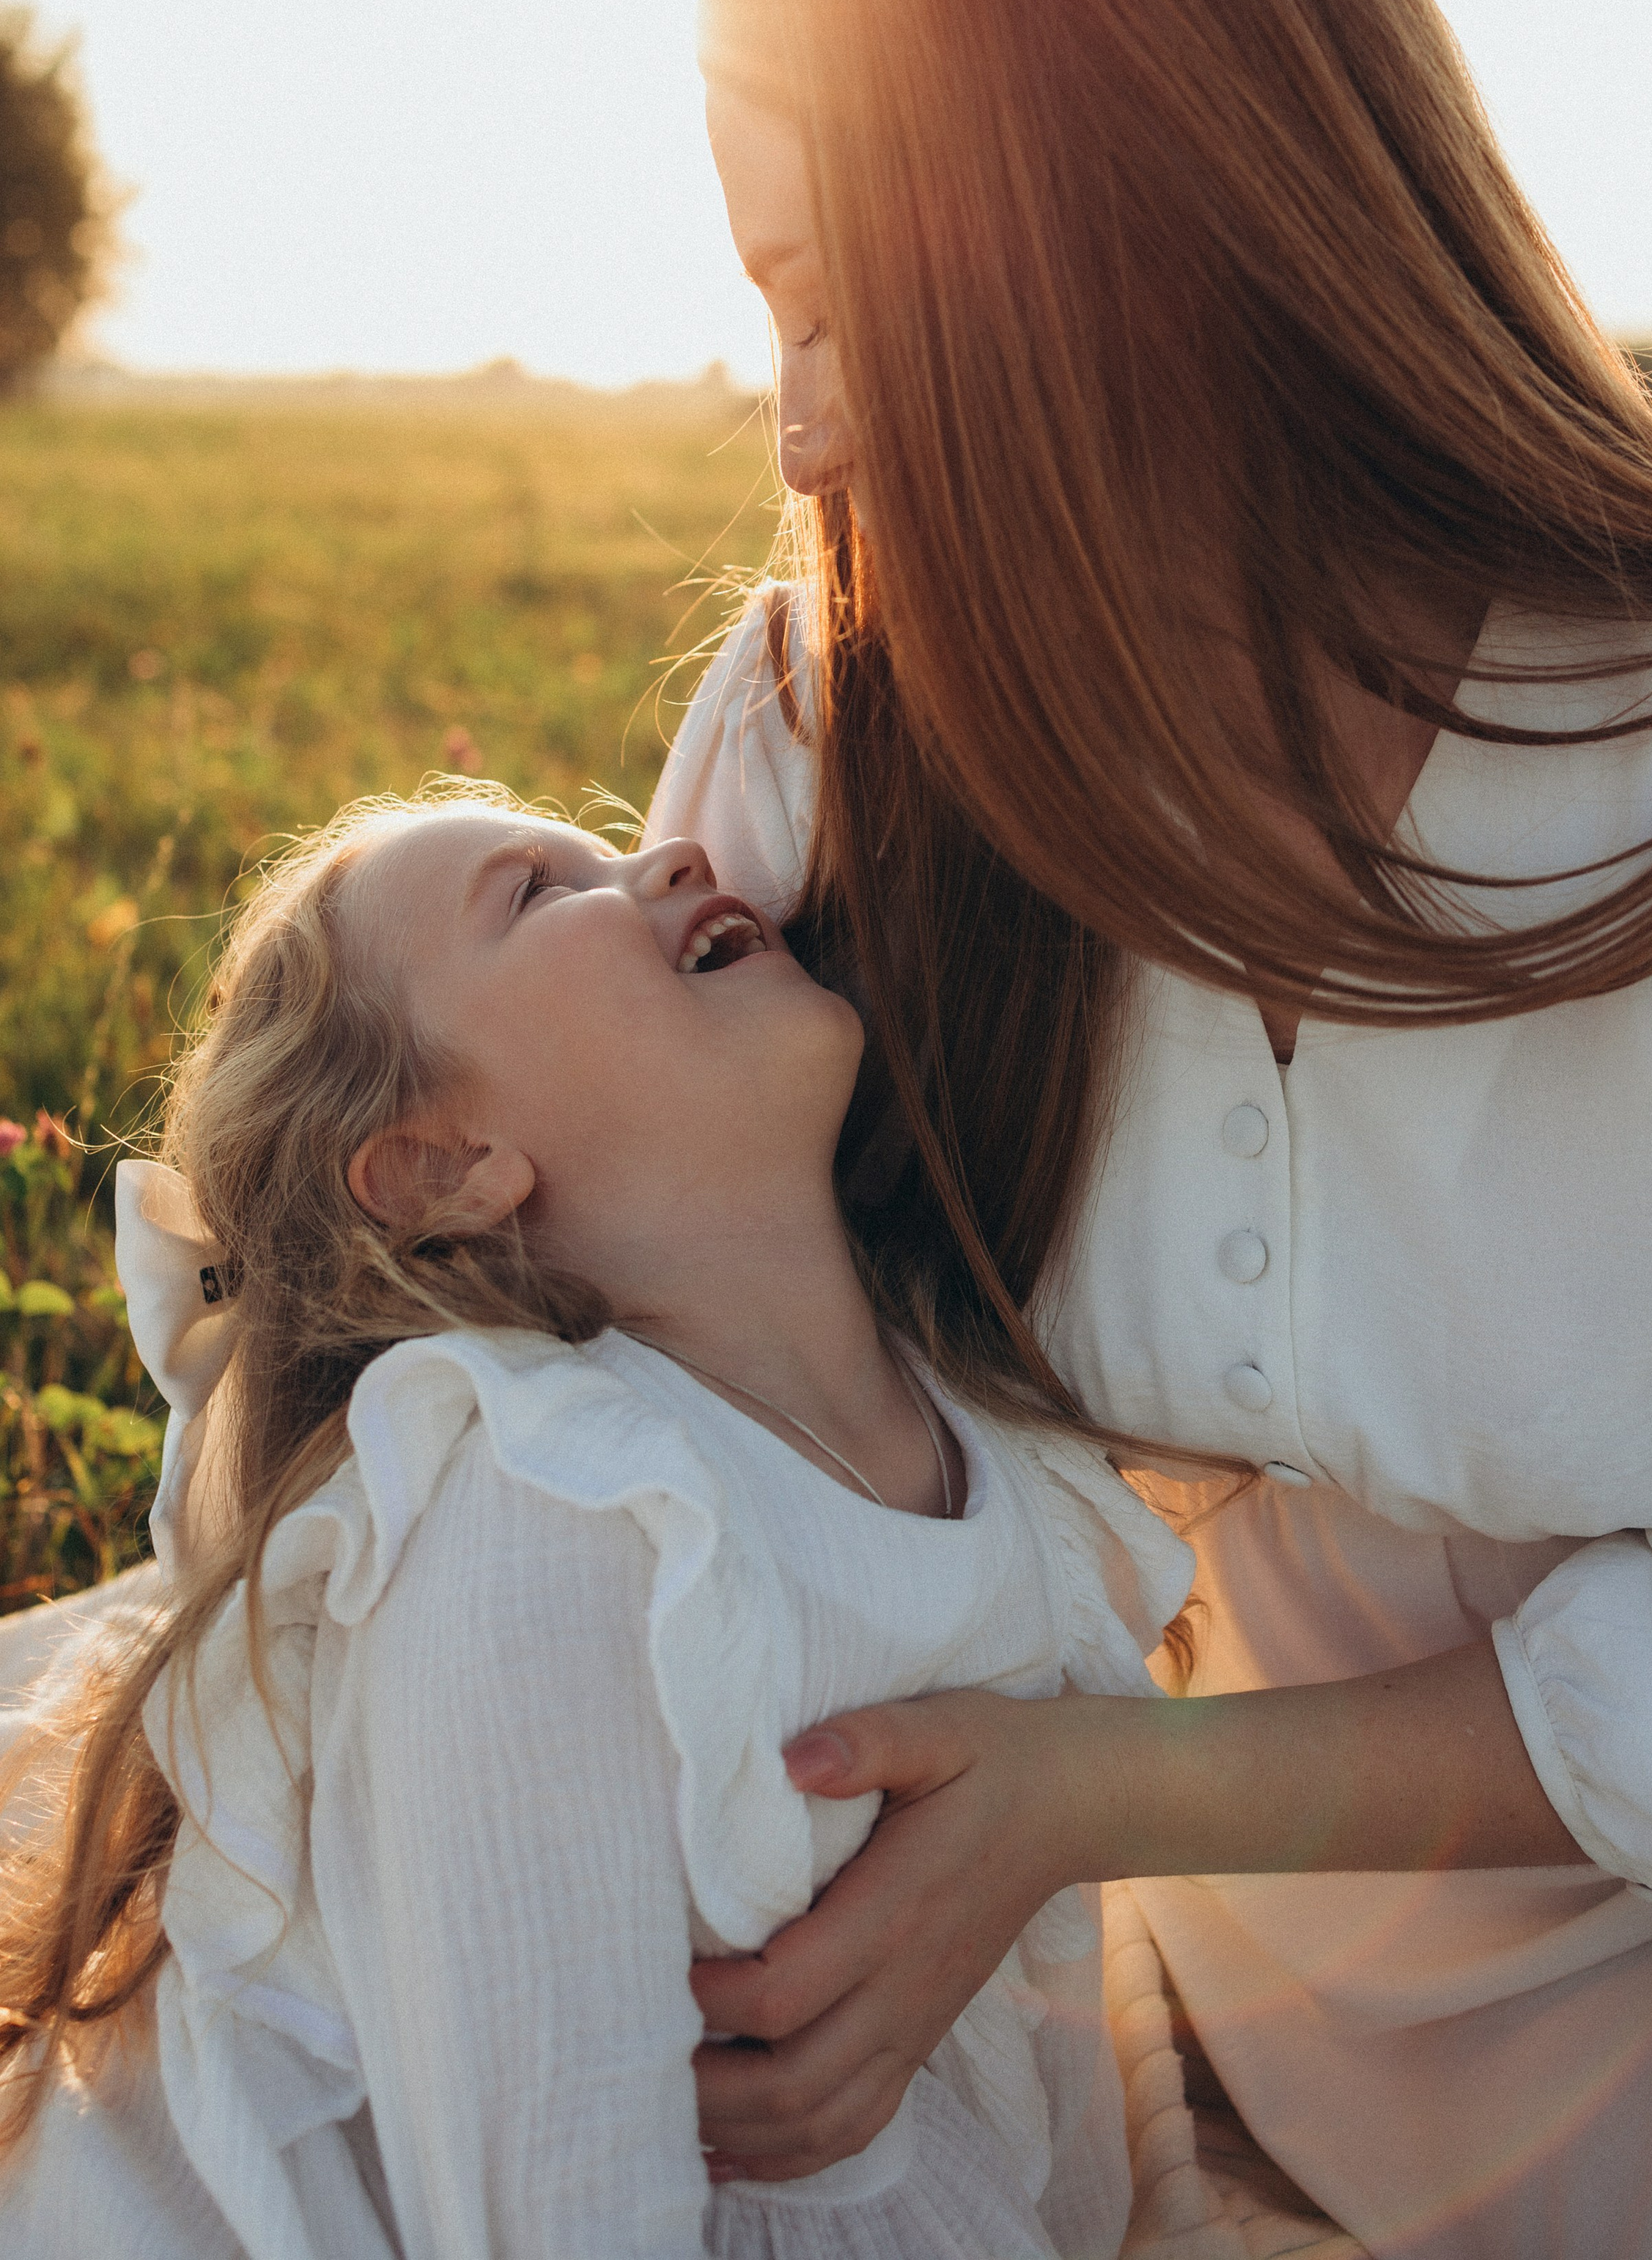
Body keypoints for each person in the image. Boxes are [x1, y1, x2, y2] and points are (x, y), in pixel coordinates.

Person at [654, 0, 1652, 2259]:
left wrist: (1089, 1792)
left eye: (826, 298)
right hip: (1152, 2020)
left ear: (1103, 227)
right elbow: (585, 1381)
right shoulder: (821, 735)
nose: (802, 437)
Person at [0, 787, 1199, 2259]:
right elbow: (546, 2196)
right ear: (443, 1165)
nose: (677, 854)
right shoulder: (550, 1518)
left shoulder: (998, 1457)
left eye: (614, 849)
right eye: (535, 888)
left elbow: (1044, 2041)